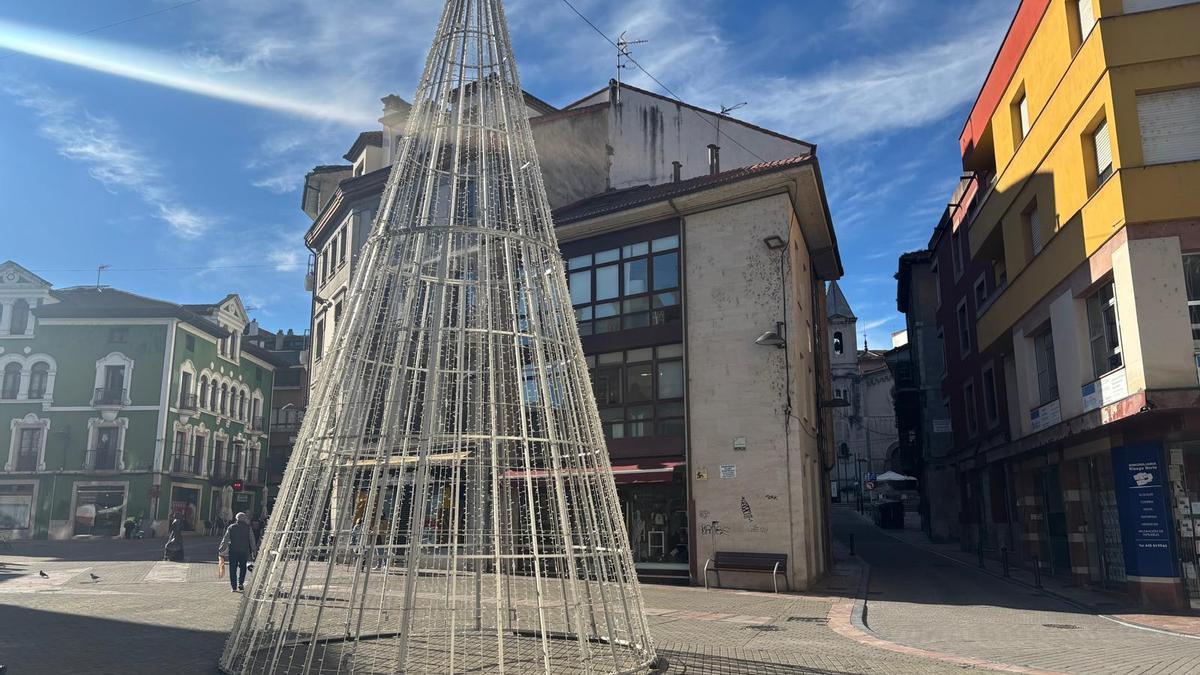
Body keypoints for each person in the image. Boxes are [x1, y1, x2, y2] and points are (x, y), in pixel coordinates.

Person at [219, 512, 258, 593]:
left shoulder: (231, 527)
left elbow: (225, 539)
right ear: (245, 519)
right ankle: (241, 583)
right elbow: (252, 540)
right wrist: (254, 550)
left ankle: (233, 587)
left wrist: (221, 549)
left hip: (233, 550)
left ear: (236, 518)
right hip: (244, 551)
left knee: (232, 568)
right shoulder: (248, 528)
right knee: (243, 567)